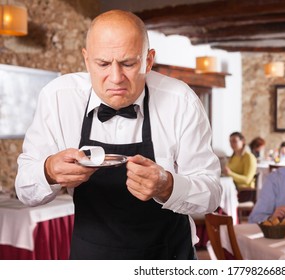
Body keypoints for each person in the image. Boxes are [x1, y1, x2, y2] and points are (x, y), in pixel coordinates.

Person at [14, 10, 222, 260]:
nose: (115, 78)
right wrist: (48, 171)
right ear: (86, 59)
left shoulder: (181, 100)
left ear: (148, 60)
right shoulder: (58, 97)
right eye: (103, 64)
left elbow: (211, 194)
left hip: (169, 256)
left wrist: (167, 185)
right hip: (90, 257)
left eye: (128, 63)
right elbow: (25, 189)